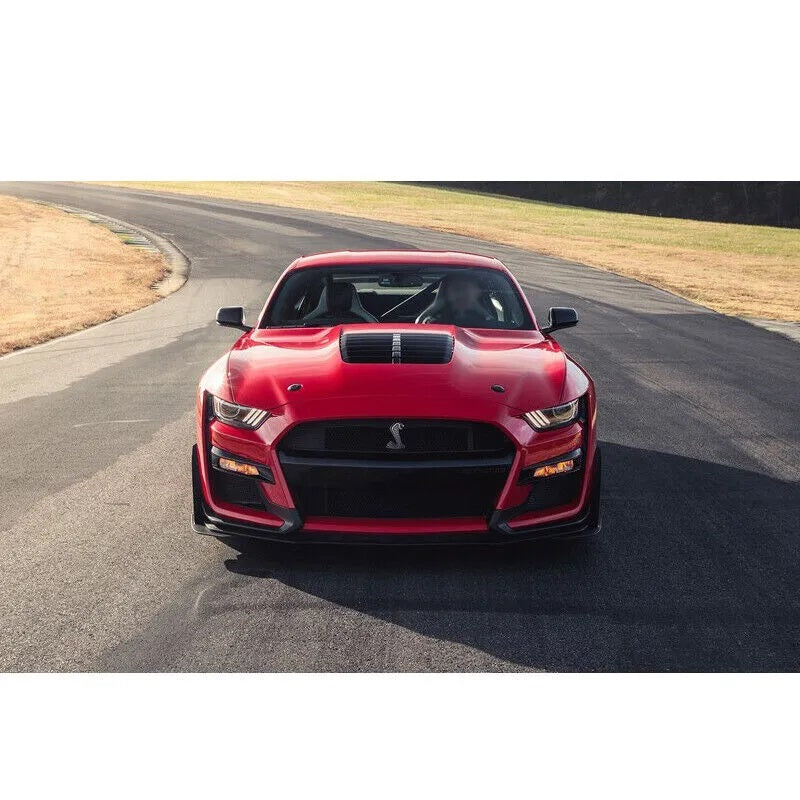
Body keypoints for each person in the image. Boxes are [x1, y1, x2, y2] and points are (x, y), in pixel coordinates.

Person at [419, 273, 496, 327]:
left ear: (477, 292)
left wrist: (480, 310)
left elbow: (495, 328)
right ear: (447, 293)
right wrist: (437, 304)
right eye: (457, 289)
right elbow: (419, 328)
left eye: (466, 288)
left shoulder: (485, 322)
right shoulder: (436, 322)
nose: (462, 294)